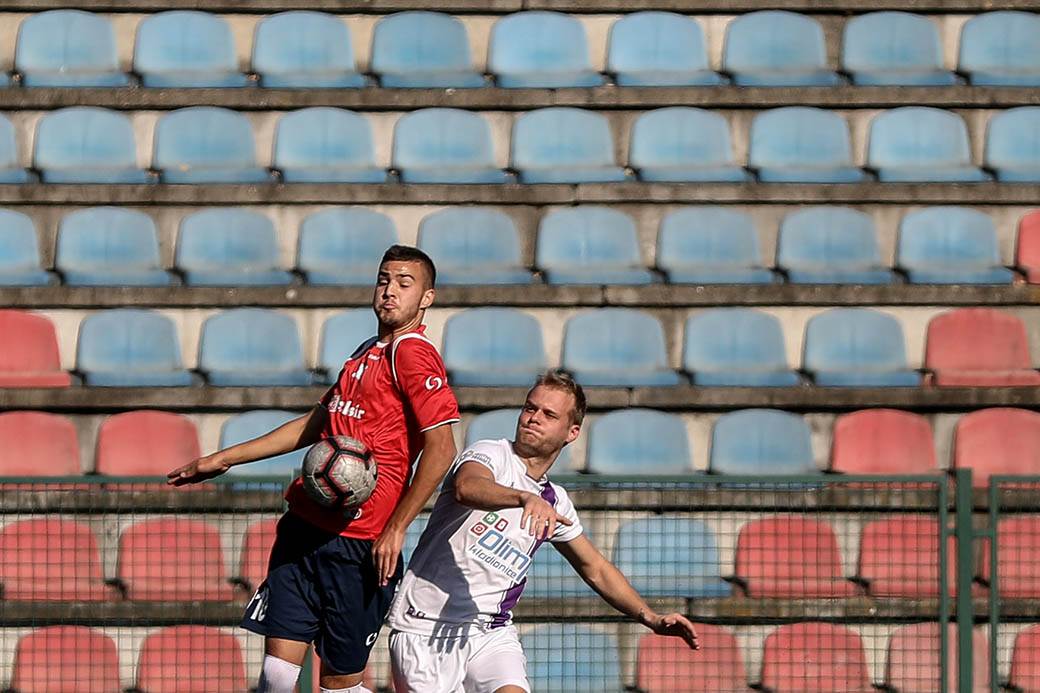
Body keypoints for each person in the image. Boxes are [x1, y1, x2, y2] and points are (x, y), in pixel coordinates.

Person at [168, 245, 460, 693]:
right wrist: (224, 458)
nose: (390, 291)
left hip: (358, 546)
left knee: (339, 686)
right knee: (276, 675)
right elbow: (313, 425)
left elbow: (442, 448)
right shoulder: (366, 352)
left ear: (427, 298)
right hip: (304, 529)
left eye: (405, 283)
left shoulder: (413, 355)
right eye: (384, 279)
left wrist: (398, 526)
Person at [386, 370, 699, 693]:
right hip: (425, 627)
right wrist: (522, 498)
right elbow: (468, 487)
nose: (533, 419)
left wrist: (651, 617)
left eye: (549, 414)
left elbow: (596, 569)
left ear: (571, 431)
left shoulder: (556, 502)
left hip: (490, 632)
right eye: (530, 408)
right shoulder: (491, 454)